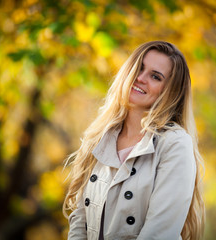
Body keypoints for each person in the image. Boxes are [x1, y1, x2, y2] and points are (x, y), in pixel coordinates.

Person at [63, 41, 205, 240]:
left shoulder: (175, 144)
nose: (140, 78)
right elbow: (80, 220)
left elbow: (159, 233)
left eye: (155, 76)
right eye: (139, 68)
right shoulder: (100, 137)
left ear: (170, 92)